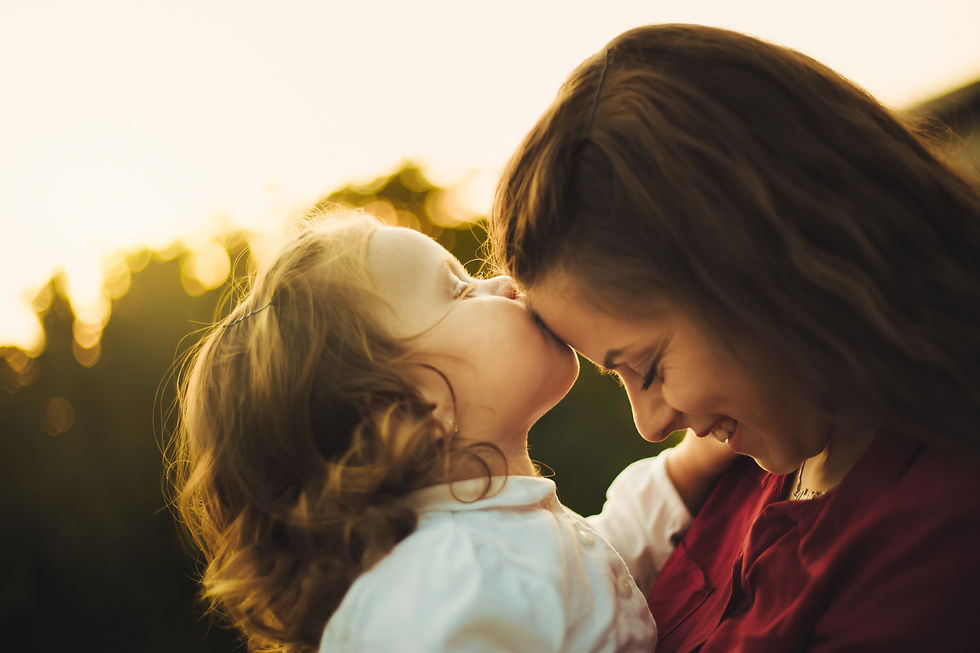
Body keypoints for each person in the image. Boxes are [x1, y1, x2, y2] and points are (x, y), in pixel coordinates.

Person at [491, 23, 980, 652]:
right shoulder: (738, 467)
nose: (649, 425)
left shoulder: (934, 535)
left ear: (763, 267)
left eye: (649, 366)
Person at [168, 209, 730, 653]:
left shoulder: (492, 545)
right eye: (460, 290)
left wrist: (690, 464)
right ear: (404, 406)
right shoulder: (436, 588)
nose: (502, 284)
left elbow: (602, 579)